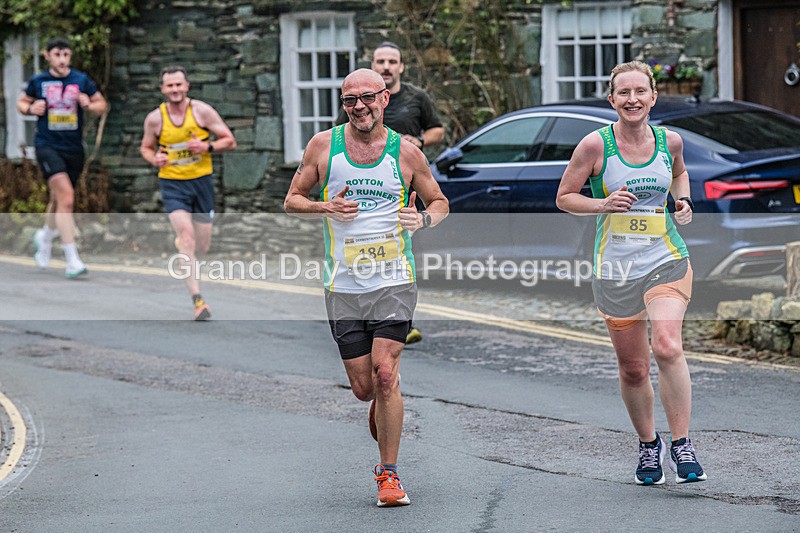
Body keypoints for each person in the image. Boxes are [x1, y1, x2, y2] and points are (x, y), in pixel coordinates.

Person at [285, 68, 448, 506]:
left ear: (384, 99)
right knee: (364, 388)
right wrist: (324, 206)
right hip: (343, 283)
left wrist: (424, 219)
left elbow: (439, 201)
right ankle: (385, 400)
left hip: (394, 279)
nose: (359, 106)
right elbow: (291, 200)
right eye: (349, 100)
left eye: (367, 98)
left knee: (385, 373)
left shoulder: (406, 153)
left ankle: (389, 475)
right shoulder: (324, 146)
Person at [556, 60, 707, 486]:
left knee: (667, 344)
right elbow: (565, 197)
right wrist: (601, 204)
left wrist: (683, 201)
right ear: (612, 100)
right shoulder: (594, 146)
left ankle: (682, 444)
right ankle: (648, 445)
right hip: (616, 268)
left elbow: (680, 173)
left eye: (640, 91)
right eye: (624, 93)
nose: (632, 99)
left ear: (653, 97)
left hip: (665, 258)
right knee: (634, 369)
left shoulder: (669, 141)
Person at [341, 40, 446, 344]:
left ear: (400, 67)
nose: (386, 66)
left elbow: (438, 129)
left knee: (396, 254)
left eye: (392, 61)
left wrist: (420, 142)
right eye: (380, 61)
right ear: (372, 66)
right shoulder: (357, 102)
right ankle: (373, 316)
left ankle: (397, 319)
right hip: (367, 191)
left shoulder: (417, 97)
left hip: (406, 193)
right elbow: (340, 136)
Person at [140, 66, 236, 320]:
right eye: (169, 86)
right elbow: (146, 148)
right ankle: (198, 301)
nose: (174, 90)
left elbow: (229, 140)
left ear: (186, 86)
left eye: (178, 85)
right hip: (173, 185)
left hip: (201, 183)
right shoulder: (155, 118)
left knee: (202, 245)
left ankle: (187, 247)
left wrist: (206, 146)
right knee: (187, 239)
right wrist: (155, 159)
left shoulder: (202, 111)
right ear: (162, 89)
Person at [18, 36, 107, 278]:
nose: (62, 59)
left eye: (66, 55)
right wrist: (30, 108)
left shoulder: (80, 80)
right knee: (67, 197)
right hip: (47, 145)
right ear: (47, 56)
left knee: (58, 199)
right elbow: (22, 102)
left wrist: (89, 104)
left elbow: (102, 105)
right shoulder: (39, 81)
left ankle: (45, 235)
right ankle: (72, 259)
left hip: (73, 147)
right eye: (57, 54)